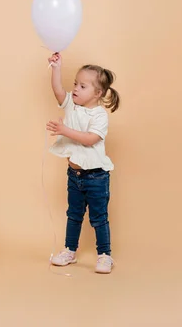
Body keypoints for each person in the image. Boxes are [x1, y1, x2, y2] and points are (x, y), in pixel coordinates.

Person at [46, 53, 121, 274]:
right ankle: (70, 250)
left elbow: (91, 139)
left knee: (99, 217)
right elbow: (58, 90)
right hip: (74, 175)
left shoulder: (99, 115)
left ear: (98, 93)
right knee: (74, 215)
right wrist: (56, 68)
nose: (76, 89)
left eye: (83, 86)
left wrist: (64, 130)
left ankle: (104, 255)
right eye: (75, 84)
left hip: (96, 176)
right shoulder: (72, 105)